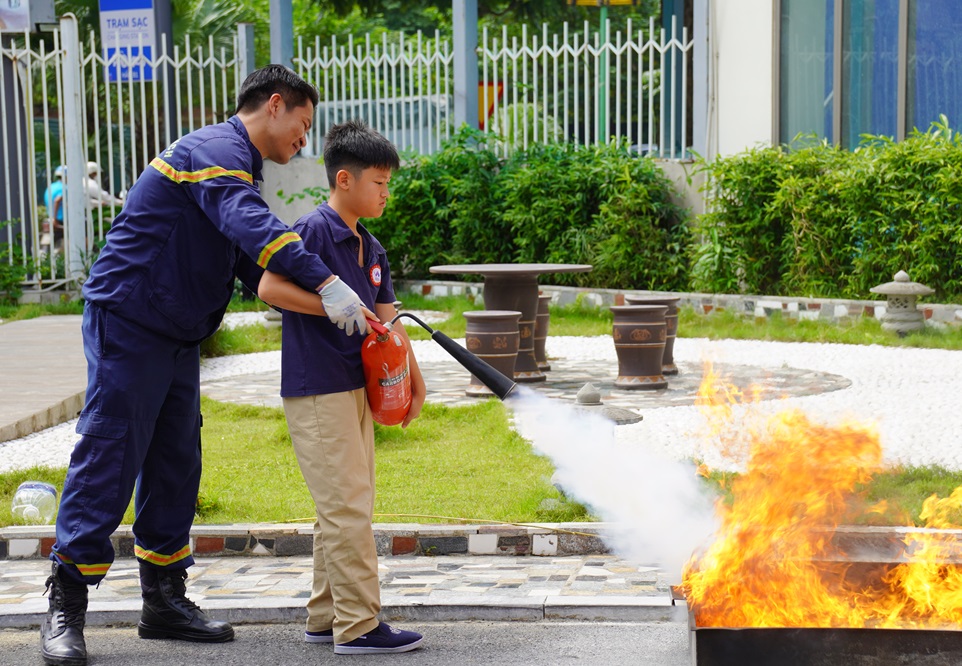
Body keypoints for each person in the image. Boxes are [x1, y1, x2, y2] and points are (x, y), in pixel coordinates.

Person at [40, 65, 371, 666]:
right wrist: (324, 280)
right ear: (275, 105)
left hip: (175, 331)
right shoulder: (215, 150)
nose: (303, 140)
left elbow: (249, 257)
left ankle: (163, 600)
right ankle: (66, 603)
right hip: (131, 319)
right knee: (112, 453)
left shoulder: (239, 167)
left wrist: (316, 300)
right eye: (302, 124)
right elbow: (252, 226)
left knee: (175, 461)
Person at [257, 119, 427, 655]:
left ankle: (324, 616)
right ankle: (358, 627)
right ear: (345, 180)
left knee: (345, 503)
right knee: (348, 506)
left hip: (357, 386)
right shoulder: (312, 231)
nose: (385, 192)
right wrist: (330, 304)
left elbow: (389, 320)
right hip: (317, 387)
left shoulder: (370, 248)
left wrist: (414, 381)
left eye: (388, 183)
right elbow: (269, 286)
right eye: (379, 182)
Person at [43, 165, 65, 250]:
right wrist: (54, 218)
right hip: (60, 219)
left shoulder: (51, 186)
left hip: (50, 217)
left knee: (51, 242)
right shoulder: (64, 187)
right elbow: (57, 200)